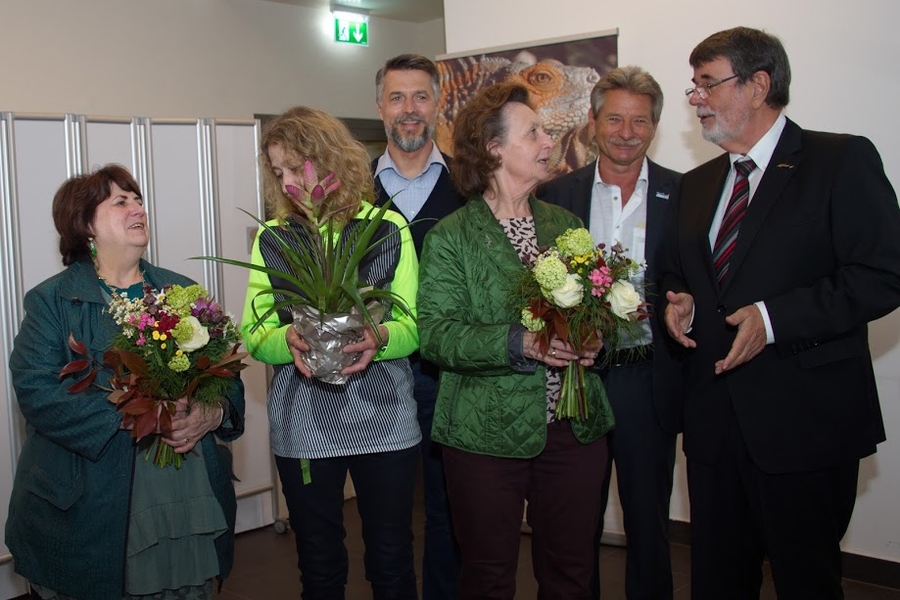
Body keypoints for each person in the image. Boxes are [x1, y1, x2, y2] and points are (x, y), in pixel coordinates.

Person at [660, 26, 900, 598]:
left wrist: (773, 319)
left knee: (807, 581)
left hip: (805, 424)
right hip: (715, 426)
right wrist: (681, 302)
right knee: (717, 581)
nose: (695, 99)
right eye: (693, 86)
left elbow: (883, 274)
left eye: (707, 84)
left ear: (758, 84)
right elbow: (679, 274)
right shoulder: (697, 185)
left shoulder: (839, 160)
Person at [6, 164, 245, 600]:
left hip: (184, 496)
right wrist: (143, 417)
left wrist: (212, 412)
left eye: (137, 199)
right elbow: (38, 393)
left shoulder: (182, 291)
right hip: (93, 506)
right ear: (85, 225)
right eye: (121, 201)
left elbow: (227, 374)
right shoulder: (51, 301)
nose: (137, 207)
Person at [417, 82, 614, 599]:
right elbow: (437, 335)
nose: (549, 141)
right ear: (494, 147)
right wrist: (523, 343)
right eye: (535, 133)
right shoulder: (451, 237)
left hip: (572, 427)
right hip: (485, 433)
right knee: (487, 577)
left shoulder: (565, 225)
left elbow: (591, 305)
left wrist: (592, 340)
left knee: (572, 572)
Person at [243, 106, 421, 600]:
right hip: (305, 425)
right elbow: (255, 333)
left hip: (384, 418)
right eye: (278, 172)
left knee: (391, 559)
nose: (289, 182)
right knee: (319, 565)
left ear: (328, 160)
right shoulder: (274, 237)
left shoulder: (388, 228)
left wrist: (378, 339)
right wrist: (289, 341)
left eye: (295, 167)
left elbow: (414, 326)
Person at [538, 65, 683, 600]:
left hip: (648, 380)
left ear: (655, 127)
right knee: (576, 523)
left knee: (649, 523)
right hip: (578, 381)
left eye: (640, 121)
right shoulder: (555, 195)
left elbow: (692, 277)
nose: (627, 132)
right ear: (594, 123)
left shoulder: (683, 193)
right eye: (615, 118)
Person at [373, 53, 466, 600]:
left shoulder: (471, 189)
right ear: (380, 106)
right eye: (397, 97)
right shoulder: (347, 194)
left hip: (446, 376)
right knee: (383, 521)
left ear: (439, 103)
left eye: (421, 97)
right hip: (371, 380)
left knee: (447, 510)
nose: (410, 110)